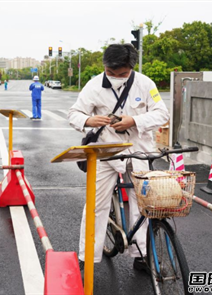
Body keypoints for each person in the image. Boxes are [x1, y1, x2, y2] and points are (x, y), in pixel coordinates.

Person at [68, 44, 169, 273]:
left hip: (138, 151)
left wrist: (134, 121)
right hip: (105, 152)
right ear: (104, 67)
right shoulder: (93, 85)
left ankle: (142, 255)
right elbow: (74, 114)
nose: (115, 78)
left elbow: (162, 114)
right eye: (110, 73)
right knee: (96, 204)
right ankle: (87, 256)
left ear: (131, 68)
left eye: (121, 74)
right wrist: (88, 121)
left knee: (142, 205)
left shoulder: (145, 84)